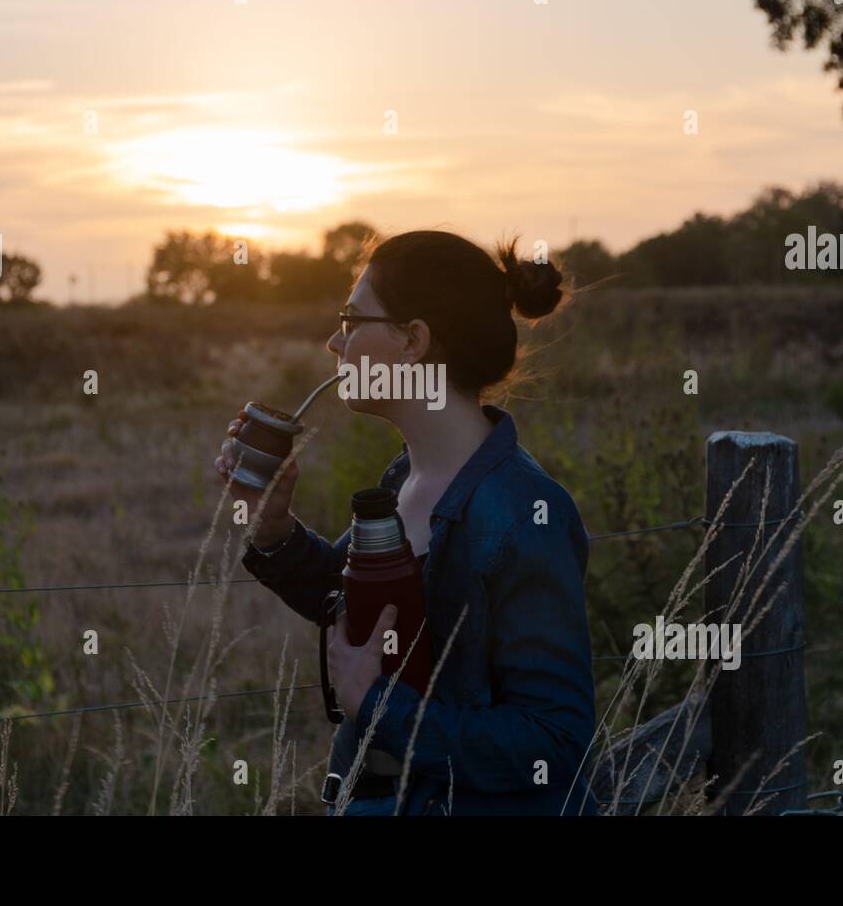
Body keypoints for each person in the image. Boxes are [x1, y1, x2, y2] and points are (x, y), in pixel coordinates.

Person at [213, 230, 600, 815]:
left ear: (413, 340)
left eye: (351, 318)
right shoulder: (407, 479)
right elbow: (353, 605)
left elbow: (554, 745)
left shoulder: (524, 513)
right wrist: (273, 531)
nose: (333, 342)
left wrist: (376, 705)